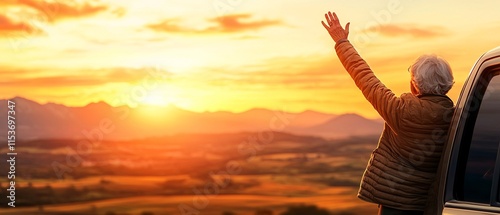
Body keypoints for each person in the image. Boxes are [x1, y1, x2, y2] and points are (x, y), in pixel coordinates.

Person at [321, 11, 455, 215]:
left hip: (395, 205)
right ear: (448, 84)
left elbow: (365, 77)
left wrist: (341, 42)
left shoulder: (400, 112)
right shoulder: (456, 118)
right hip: (430, 205)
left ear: (414, 85)